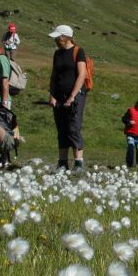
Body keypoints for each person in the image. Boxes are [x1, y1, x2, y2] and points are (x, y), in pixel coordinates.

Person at [47, 24, 88, 171]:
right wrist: (52, 95)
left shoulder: (78, 52)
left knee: (73, 127)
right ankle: (62, 162)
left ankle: (78, 162)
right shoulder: (57, 54)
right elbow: (54, 76)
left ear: (64, 38)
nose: (55, 40)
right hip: (59, 96)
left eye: (57, 37)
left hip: (76, 96)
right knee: (62, 128)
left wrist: (72, 97)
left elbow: (82, 75)